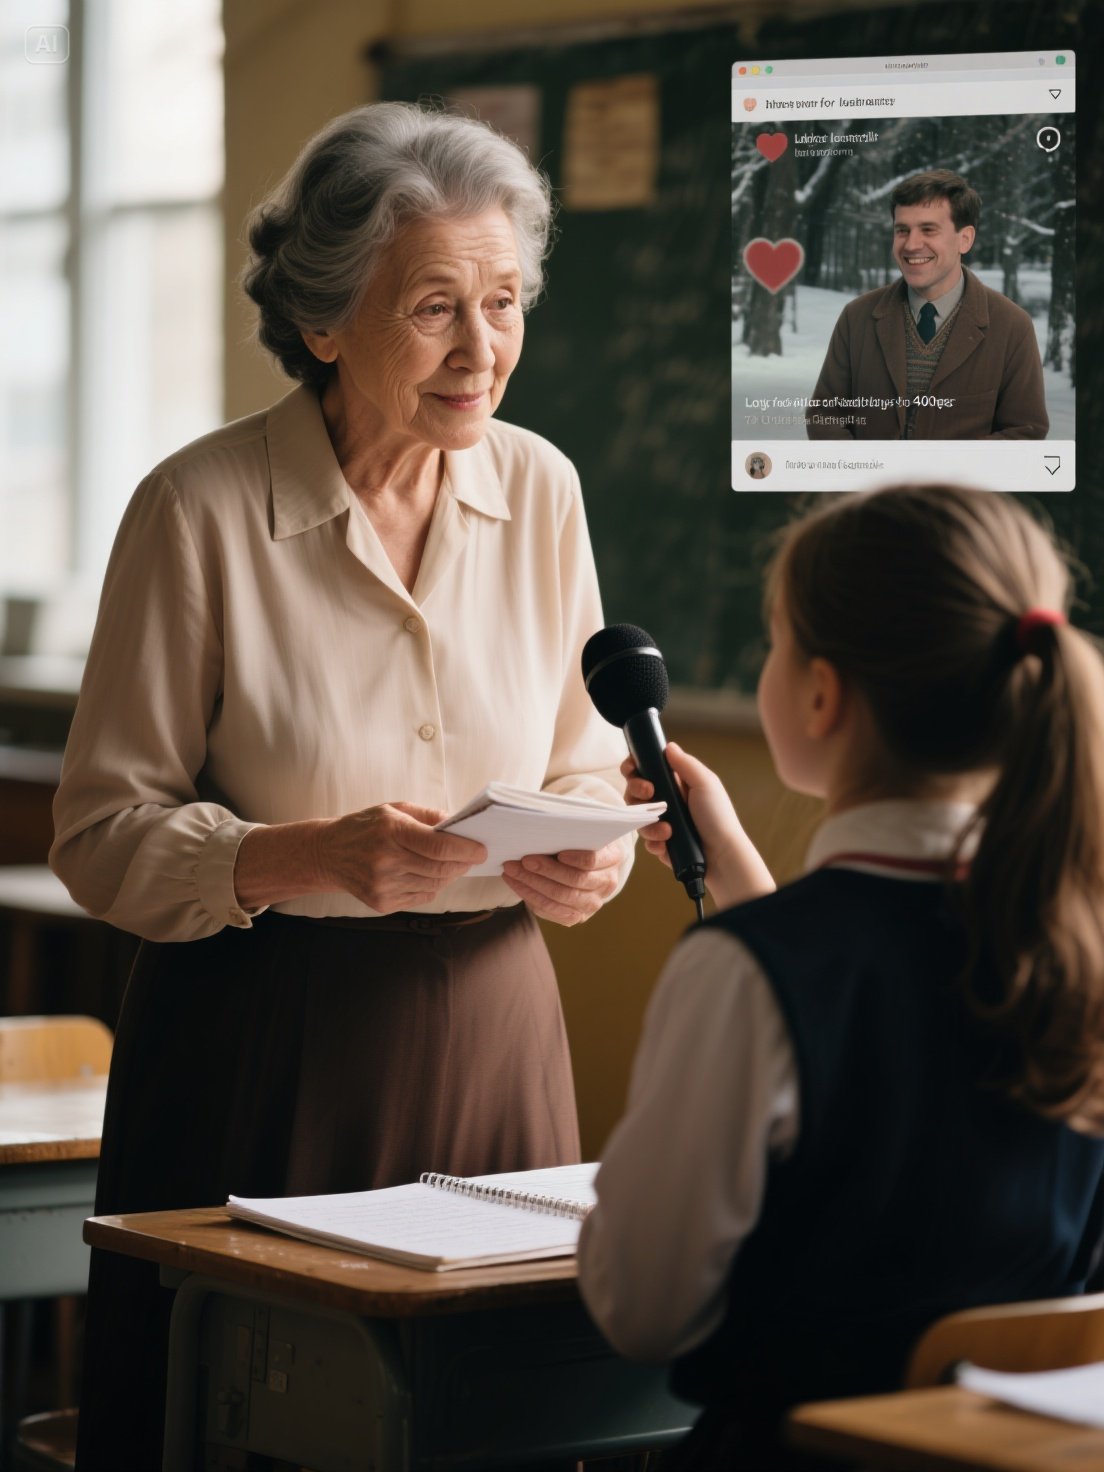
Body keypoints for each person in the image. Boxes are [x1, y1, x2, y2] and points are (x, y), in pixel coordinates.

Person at [51, 102, 634, 1469]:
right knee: (256, 1423)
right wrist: (303, 854)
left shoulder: (541, 489)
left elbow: (581, 757)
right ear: (324, 321)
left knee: (491, 1421)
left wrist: (587, 854)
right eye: (437, 307)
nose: (483, 347)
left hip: (501, 1030)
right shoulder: (197, 510)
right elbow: (97, 832)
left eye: (503, 302)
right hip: (265, 1041)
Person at [577, 484, 1104, 1471]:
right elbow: (881, 987)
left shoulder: (748, 975)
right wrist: (736, 869)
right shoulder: (1078, 942)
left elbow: (641, 1308)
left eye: (774, 642)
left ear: (821, 694)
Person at [806, 171, 1049, 440]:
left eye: (928, 230)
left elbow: (1025, 432)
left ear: (965, 239)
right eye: (902, 231)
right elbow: (825, 416)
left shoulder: (1012, 325)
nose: (911, 244)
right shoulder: (857, 317)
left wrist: (940, 473)